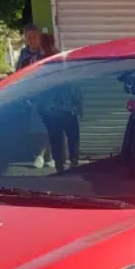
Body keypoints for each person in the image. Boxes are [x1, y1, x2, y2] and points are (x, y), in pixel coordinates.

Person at [32, 32, 82, 172]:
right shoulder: (64, 58)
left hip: (52, 108)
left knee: (57, 138)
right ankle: (72, 164)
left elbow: (36, 85)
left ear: (41, 44)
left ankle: (62, 166)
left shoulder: (39, 62)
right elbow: (74, 83)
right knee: (70, 137)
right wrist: (78, 103)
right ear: (54, 42)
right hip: (64, 106)